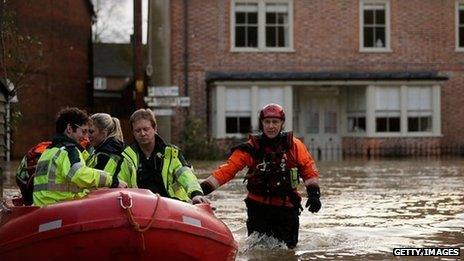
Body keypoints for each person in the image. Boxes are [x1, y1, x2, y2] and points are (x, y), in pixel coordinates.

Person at [200, 103, 321, 248]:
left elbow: (308, 170)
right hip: (258, 209)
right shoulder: (250, 148)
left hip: (287, 209)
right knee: (257, 251)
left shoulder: (294, 146)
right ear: (262, 124)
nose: (271, 126)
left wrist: (314, 194)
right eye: (267, 122)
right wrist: (200, 191)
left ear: (282, 124)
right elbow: (227, 171)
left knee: (288, 251)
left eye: (275, 122)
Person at [33, 107, 122, 207]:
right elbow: (79, 175)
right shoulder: (69, 151)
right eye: (83, 131)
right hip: (60, 208)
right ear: (70, 129)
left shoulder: (48, 152)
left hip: (42, 208)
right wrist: (112, 180)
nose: (85, 137)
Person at [125, 108, 209, 204]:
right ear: (133, 133)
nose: (142, 133)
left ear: (155, 128)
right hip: (140, 206)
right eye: (138, 130)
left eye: (146, 129)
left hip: (171, 204)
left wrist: (196, 193)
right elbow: (119, 183)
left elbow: (186, 175)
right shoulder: (127, 156)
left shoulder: (171, 153)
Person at [86, 113, 136, 188]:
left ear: (104, 132)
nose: (87, 136)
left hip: (113, 197)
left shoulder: (105, 154)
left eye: (91, 132)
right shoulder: (124, 149)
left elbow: (95, 185)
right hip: (126, 196)